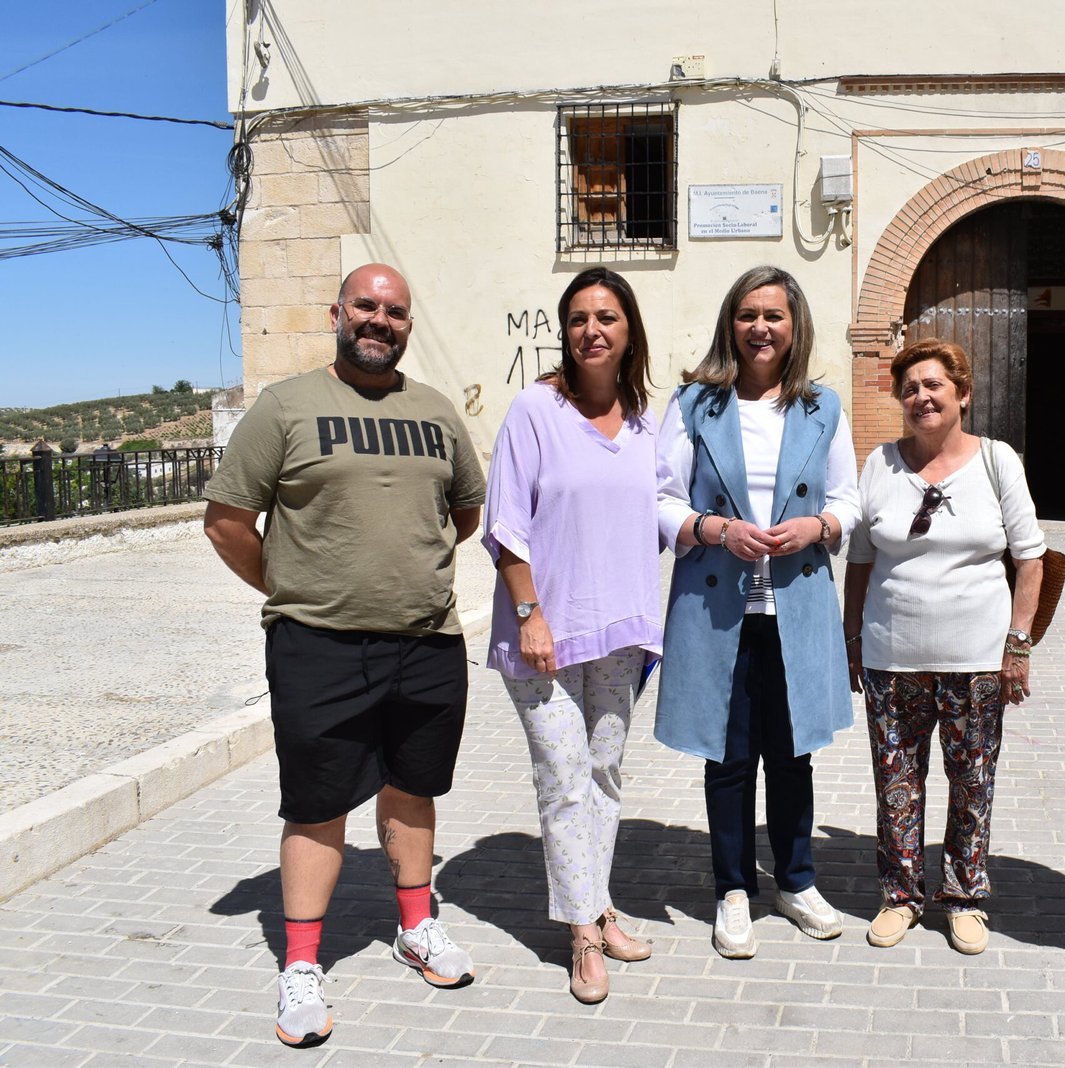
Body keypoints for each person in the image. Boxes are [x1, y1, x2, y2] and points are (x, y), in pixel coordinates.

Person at [202, 264, 486, 1049]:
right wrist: (298, 585)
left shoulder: (433, 412)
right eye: (365, 305)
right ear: (338, 312)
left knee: (413, 787)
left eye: (394, 310)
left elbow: (462, 513)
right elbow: (227, 520)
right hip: (316, 645)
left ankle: (417, 926)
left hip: (426, 641)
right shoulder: (286, 405)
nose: (379, 320)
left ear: (407, 325)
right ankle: (300, 963)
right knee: (318, 801)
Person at [654, 265, 860, 959]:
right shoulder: (694, 405)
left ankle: (796, 881)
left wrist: (819, 528)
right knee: (730, 755)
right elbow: (661, 499)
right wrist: (714, 530)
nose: (760, 328)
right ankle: (734, 889)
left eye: (774, 315)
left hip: (795, 604)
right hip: (720, 607)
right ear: (729, 324)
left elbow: (848, 498)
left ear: (793, 325)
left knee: (794, 751)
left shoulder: (821, 407)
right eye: (747, 315)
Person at [480, 267, 661, 1004]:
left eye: (608, 316)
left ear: (628, 331)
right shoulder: (534, 410)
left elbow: (669, 511)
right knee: (563, 779)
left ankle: (599, 903)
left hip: (620, 630)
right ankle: (581, 933)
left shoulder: (650, 420)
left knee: (604, 775)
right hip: (544, 636)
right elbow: (505, 524)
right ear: (567, 330)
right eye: (580, 316)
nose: (593, 328)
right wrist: (529, 614)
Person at [842, 337, 1045, 956]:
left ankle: (962, 897)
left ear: (962, 393)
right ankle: (901, 896)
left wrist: (1019, 646)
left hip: (976, 657)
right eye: (909, 388)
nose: (921, 397)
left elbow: (1030, 559)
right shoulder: (880, 463)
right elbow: (859, 561)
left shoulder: (997, 461)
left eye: (933, 385)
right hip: (891, 653)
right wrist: (852, 639)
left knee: (972, 780)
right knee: (896, 779)